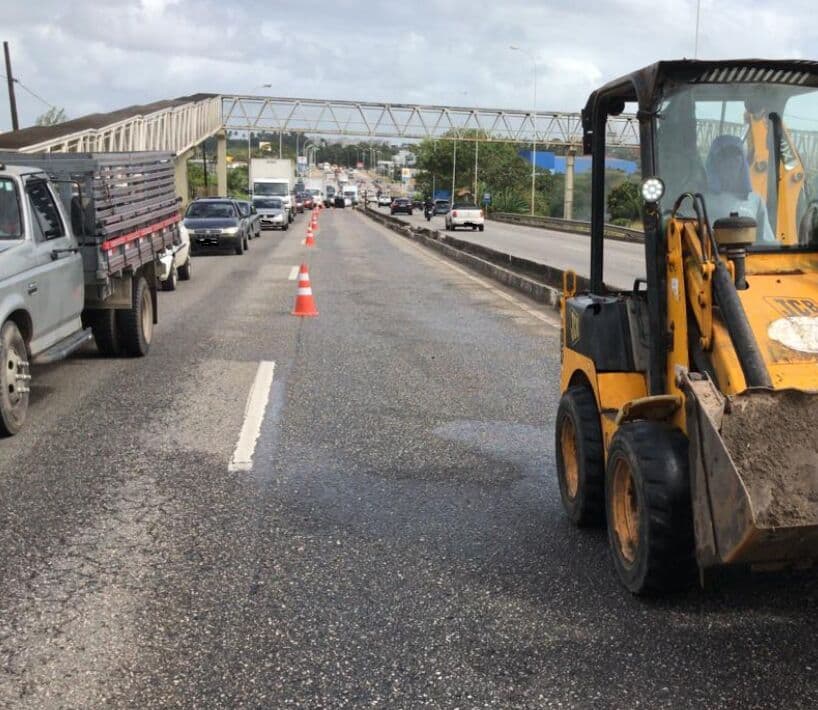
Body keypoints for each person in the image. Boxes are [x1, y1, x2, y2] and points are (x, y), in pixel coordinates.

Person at [704, 135, 776, 243]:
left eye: (735, 157)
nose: (730, 162)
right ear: (714, 163)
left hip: (749, 258)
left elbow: (766, 242)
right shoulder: (701, 200)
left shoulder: (755, 201)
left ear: (742, 164)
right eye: (724, 156)